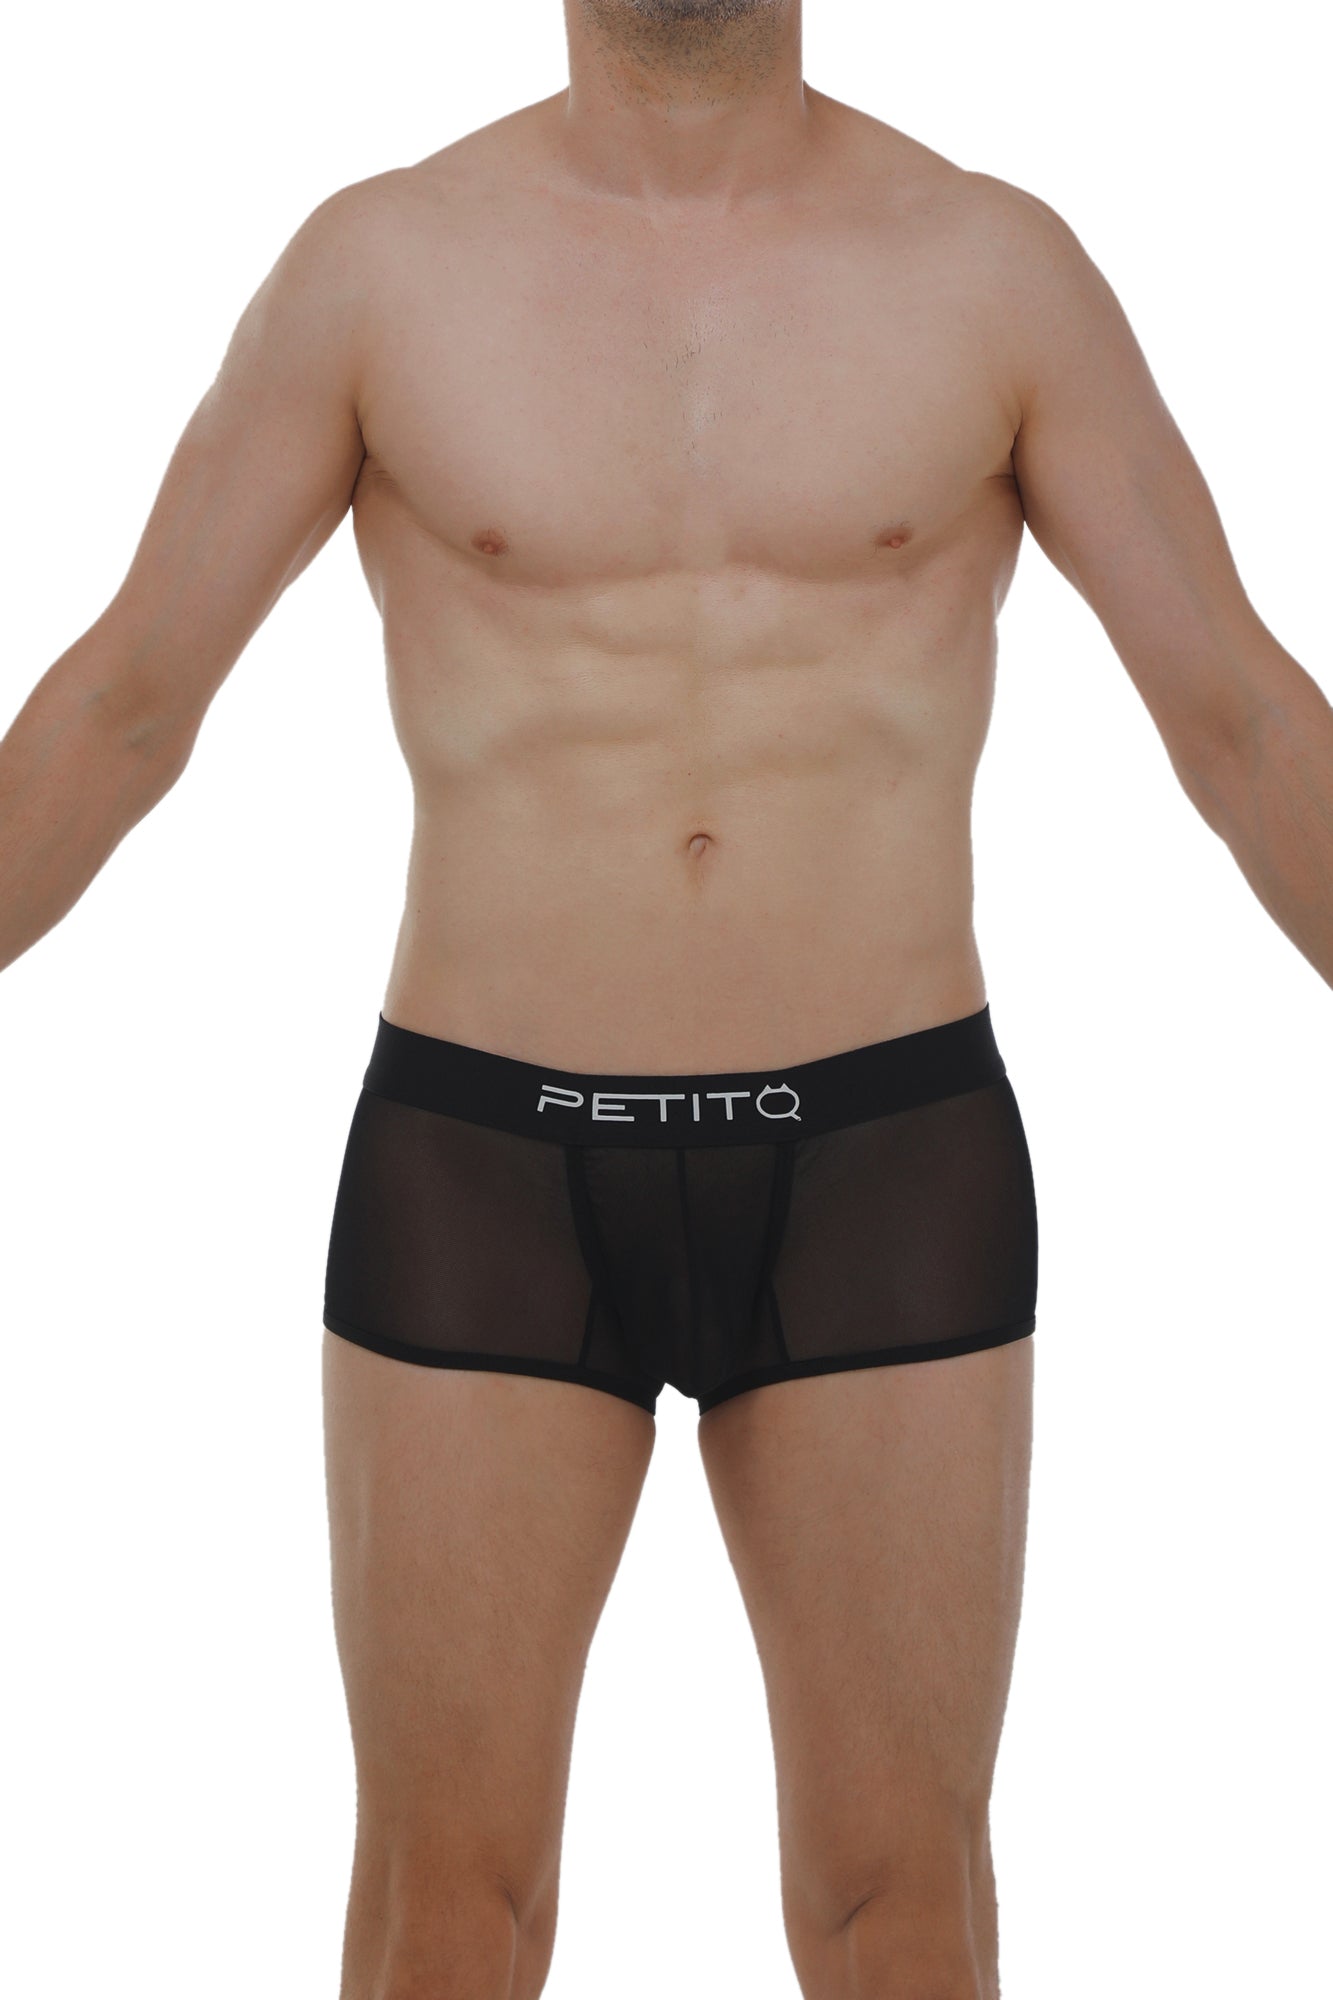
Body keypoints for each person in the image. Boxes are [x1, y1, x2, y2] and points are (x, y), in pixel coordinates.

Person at [2, 1, 1330, 1994]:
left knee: (902, 1904)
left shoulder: (991, 266)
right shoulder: (383, 263)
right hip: (485, 1164)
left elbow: (1239, 716)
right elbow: (122, 704)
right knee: (447, 1914)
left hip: (882, 1155)